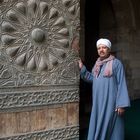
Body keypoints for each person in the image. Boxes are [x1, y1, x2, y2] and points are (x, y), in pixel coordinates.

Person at [78, 38, 130, 140]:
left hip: (111, 103)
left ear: (109, 49)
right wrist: (82, 68)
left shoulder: (116, 63)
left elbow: (121, 83)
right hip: (98, 102)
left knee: (113, 127)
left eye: (104, 47)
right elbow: (93, 79)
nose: (101, 50)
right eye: (99, 48)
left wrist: (121, 104)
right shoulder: (97, 64)